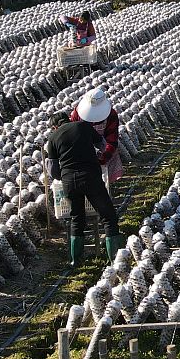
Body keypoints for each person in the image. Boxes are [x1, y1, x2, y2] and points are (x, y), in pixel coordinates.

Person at [45, 112, 122, 265]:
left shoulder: (52, 138)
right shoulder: (84, 126)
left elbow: (53, 169)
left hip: (69, 181)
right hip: (90, 177)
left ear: (55, 127)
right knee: (108, 216)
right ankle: (114, 258)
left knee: (77, 218)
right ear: (68, 119)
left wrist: (65, 176)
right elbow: (102, 144)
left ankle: (75, 260)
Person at [70, 87, 123, 183]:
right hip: (83, 145)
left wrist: (104, 156)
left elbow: (112, 139)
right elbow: (72, 134)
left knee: (104, 177)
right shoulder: (76, 113)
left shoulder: (111, 115)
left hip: (103, 146)